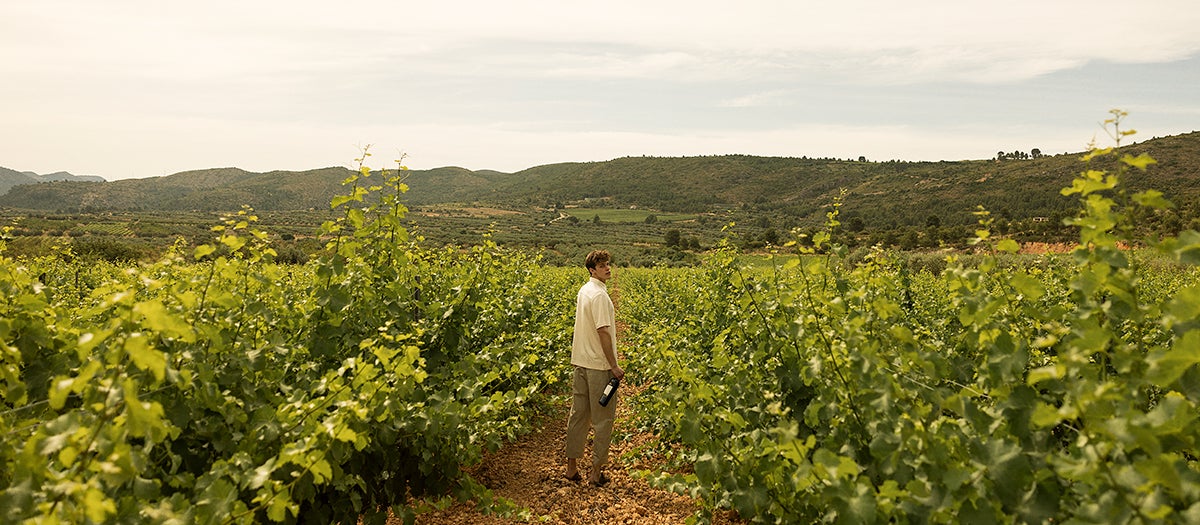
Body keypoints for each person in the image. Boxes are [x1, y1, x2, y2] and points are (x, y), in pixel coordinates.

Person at [565, 249, 624, 486]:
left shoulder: (584, 290)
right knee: (603, 421)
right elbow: (603, 332)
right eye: (602, 266)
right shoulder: (599, 296)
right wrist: (614, 365)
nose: (608, 268)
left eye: (608, 264)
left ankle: (571, 469)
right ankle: (595, 474)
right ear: (592, 270)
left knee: (578, 416)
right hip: (598, 367)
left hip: (579, 363)